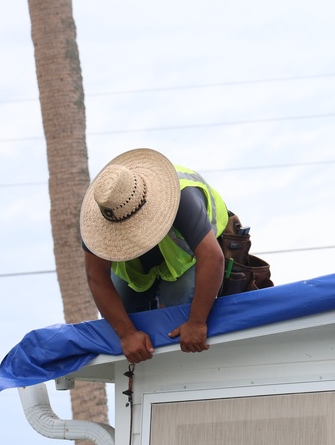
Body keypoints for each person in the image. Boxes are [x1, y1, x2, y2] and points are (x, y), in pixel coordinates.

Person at [80, 148, 230, 364]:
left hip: (188, 259)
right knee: (121, 318)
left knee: (177, 311)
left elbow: (212, 258)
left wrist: (197, 323)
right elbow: (96, 276)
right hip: (137, 269)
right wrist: (127, 334)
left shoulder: (181, 197)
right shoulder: (100, 213)